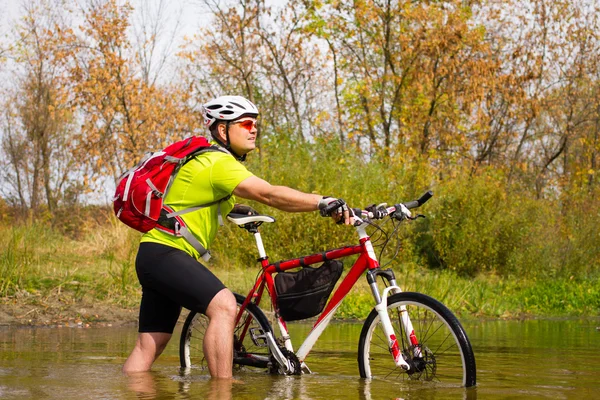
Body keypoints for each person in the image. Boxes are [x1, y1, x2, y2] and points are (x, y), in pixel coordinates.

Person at [122, 95, 352, 378]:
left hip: (154, 255)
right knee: (224, 306)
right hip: (166, 254)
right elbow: (269, 193)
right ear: (223, 130)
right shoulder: (218, 163)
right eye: (245, 123)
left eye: (255, 123)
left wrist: (241, 211)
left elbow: (202, 203)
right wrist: (321, 201)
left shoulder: (207, 158)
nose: (253, 129)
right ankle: (222, 392)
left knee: (149, 346)